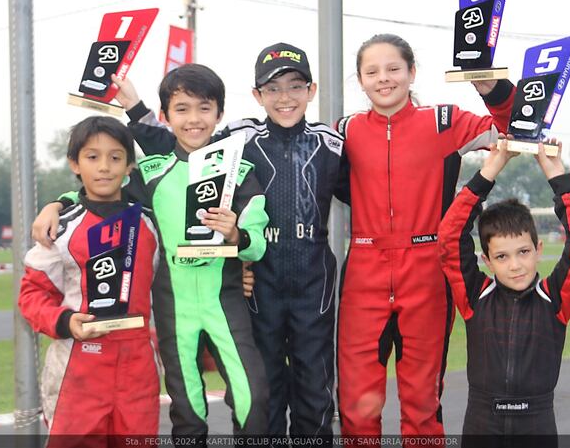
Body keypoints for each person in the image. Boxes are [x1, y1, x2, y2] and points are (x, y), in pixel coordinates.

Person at [89, 42, 347, 439]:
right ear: (257, 95)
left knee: (307, 392)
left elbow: (378, 186)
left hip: (309, 284)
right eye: (273, 89)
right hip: (250, 288)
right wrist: (135, 110)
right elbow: (177, 146)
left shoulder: (330, 143)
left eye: (295, 87)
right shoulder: (236, 140)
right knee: (248, 395)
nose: (284, 97)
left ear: (311, 90)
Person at [35, 64, 270, 440]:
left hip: (225, 303)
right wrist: (56, 204)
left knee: (253, 399)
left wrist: (236, 235)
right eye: (182, 109)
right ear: (166, 117)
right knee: (187, 408)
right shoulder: (151, 170)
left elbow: (257, 243)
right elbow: (101, 193)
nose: (194, 119)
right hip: (171, 307)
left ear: (219, 114)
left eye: (204, 108)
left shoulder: (240, 171)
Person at [334, 33, 515, 436]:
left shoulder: (443, 121)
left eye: (394, 69)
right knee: (357, 407)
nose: (384, 79)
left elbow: (515, 127)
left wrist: (491, 87)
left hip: (428, 272)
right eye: (372, 71)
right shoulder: (343, 131)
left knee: (421, 404)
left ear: (411, 73)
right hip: (364, 273)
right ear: (360, 80)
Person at [437, 139, 570, 446]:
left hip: (536, 424)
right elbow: (449, 239)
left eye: (523, 252)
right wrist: (491, 167)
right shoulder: (475, 297)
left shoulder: (555, 299)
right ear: (487, 260)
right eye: (502, 257)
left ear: (538, 250)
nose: (515, 265)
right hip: (482, 422)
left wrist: (558, 179)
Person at [18, 116, 163, 447]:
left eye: (115, 157)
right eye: (92, 157)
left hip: (138, 366)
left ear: (129, 167)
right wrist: (66, 321)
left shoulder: (151, 225)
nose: (104, 167)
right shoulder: (61, 228)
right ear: (75, 164)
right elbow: (31, 295)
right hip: (78, 367)